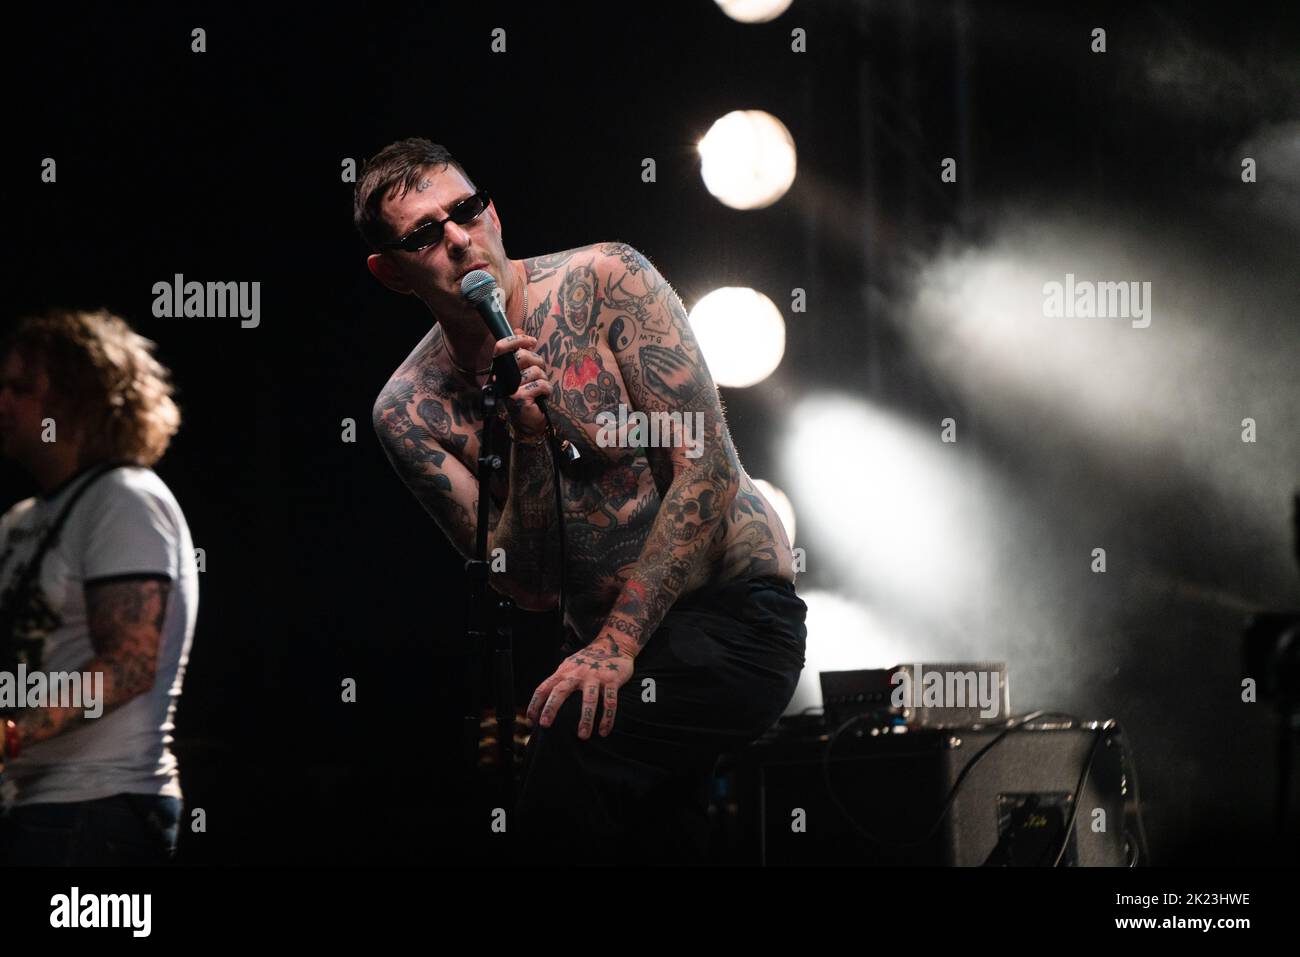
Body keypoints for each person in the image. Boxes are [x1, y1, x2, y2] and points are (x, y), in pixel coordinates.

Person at [358, 138, 806, 864]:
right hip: (600, 652)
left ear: (492, 209)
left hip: (731, 619)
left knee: (565, 789)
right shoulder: (410, 411)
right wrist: (528, 437)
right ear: (391, 272)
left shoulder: (608, 279)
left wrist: (620, 641)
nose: (458, 237)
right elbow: (528, 586)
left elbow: (708, 471)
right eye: (423, 234)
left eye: (466, 210)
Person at [0, 309, 198, 865]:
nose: (3, 403)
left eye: (22, 389)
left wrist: (9, 735)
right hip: (32, 804)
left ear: (78, 400)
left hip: (98, 809)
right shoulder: (20, 520)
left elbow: (129, 664)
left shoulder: (124, 498)